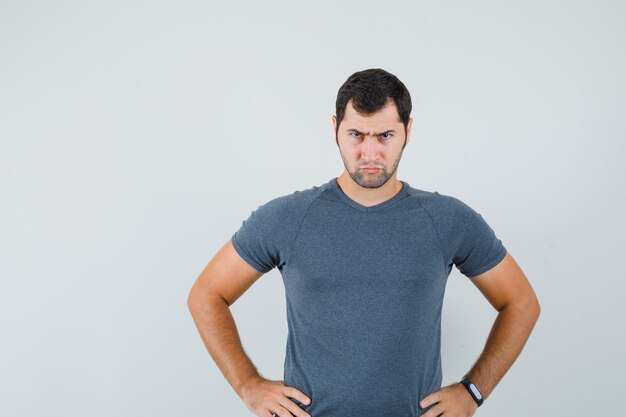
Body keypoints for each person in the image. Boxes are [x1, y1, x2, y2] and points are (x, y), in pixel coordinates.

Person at [187, 68, 540, 417]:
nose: (370, 154)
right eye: (356, 134)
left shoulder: (447, 220)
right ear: (335, 129)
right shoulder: (288, 218)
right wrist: (249, 386)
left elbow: (521, 303)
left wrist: (472, 393)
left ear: (408, 132)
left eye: (385, 135)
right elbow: (206, 294)